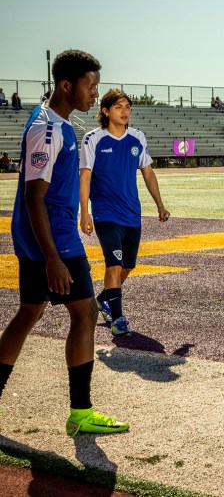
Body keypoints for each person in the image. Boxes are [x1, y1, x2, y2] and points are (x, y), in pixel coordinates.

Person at [1, 49, 129, 436]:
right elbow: (33, 197)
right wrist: (53, 258)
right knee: (86, 314)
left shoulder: (58, 124)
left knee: (28, 314)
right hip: (53, 241)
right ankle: (81, 413)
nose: (95, 95)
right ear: (66, 85)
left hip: (43, 240)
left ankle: (78, 411)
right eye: (91, 87)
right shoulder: (48, 129)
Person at [80, 88, 170, 337]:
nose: (125, 111)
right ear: (106, 111)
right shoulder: (93, 139)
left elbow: (148, 172)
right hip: (105, 213)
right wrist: (84, 213)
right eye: (119, 107)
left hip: (132, 213)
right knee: (113, 264)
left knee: (127, 266)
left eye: (128, 107)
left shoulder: (137, 137)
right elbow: (85, 176)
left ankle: (102, 299)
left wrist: (160, 205)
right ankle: (118, 319)